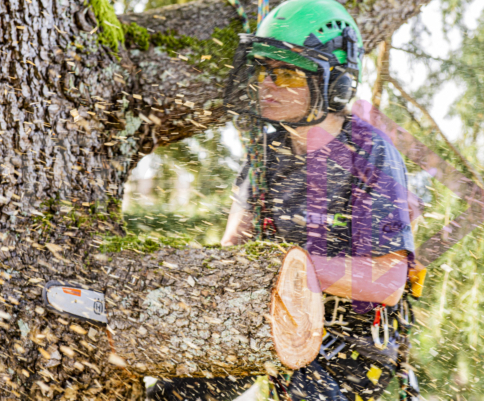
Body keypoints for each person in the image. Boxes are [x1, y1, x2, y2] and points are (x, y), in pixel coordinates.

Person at [148, 0, 421, 400]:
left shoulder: (369, 155)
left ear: (336, 84)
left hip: (349, 349)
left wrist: (294, 268)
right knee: (175, 393)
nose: (268, 85)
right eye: (264, 70)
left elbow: (387, 281)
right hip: (272, 324)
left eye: (288, 73)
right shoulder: (264, 155)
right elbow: (233, 250)